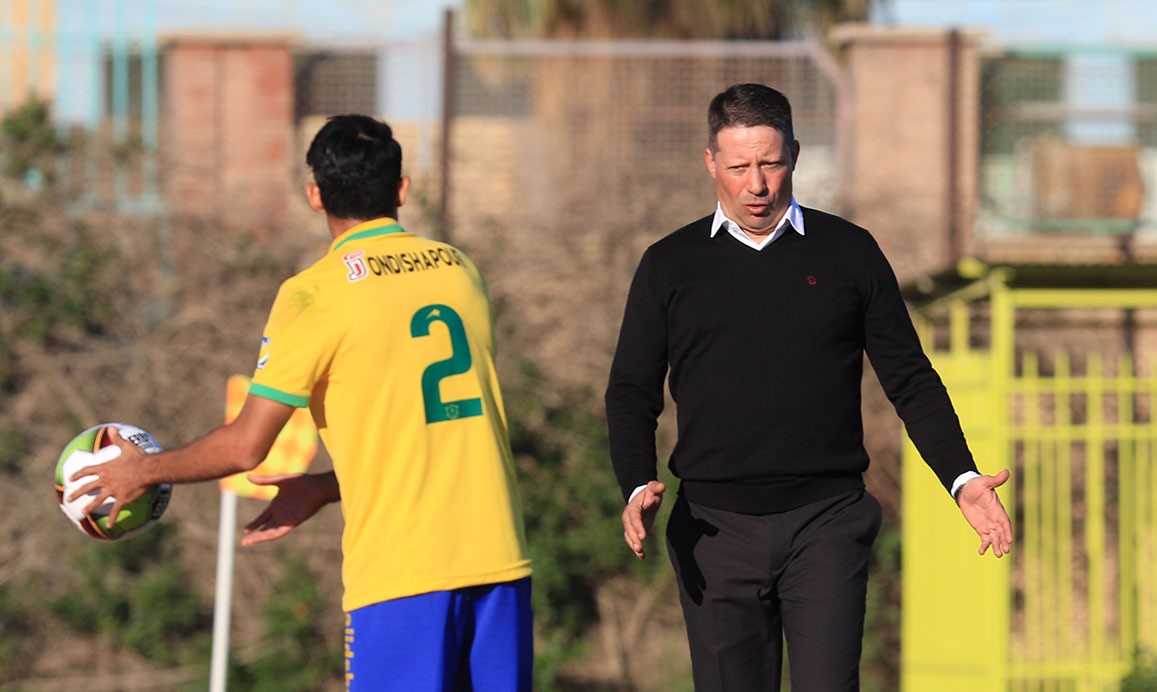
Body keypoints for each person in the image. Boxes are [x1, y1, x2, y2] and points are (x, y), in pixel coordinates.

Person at [69, 115, 533, 692]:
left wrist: (144, 470)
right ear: (402, 189)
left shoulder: (314, 294)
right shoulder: (461, 271)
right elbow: (436, 428)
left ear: (315, 195)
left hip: (405, 574)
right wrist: (325, 487)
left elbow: (246, 447)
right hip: (500, 560)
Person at [604, 83, 1012, 692]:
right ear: (710, 162)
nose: (756, 185)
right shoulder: (669, 264)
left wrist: (960, 475)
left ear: (794, 154)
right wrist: (637, 482)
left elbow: (909, 378)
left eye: (770, 163)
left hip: (828, 525)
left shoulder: (850, 252)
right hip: (713, 533)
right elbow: (631, 391)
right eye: (738, 167)